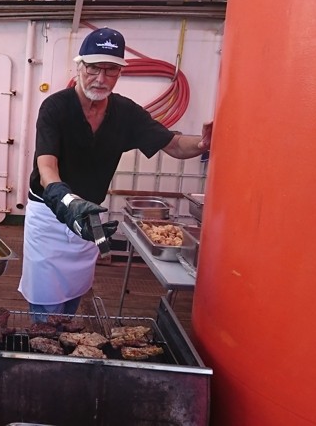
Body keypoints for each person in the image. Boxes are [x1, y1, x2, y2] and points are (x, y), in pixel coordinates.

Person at [19, 27, 212, 318]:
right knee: (46, 300)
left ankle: (65, 342)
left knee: (74, 293)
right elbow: (47, 166)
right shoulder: (56, 107)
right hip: (50, 214)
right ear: (80, 65)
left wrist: (202, 143)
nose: (101, 78)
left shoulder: (125, 113)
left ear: (120, 73)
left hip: (89, 213)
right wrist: (64, 197)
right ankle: (43, 353)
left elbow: (173, 145)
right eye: (94, 68)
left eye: (111, 70)